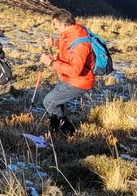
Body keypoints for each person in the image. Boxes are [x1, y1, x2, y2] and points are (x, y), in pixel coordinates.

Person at [38, 9, 95, 137]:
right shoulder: (73, 33)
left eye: (56, 25)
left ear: (63, 24)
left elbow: (75, 70)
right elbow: (68, 46)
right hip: (67, 78)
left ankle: (66, 130)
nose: (55, 28)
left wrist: (51, 63)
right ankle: (57, 130)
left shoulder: (80, 42)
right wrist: (54, 43)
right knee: (57, 101)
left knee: (49, 101)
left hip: (77, 81)